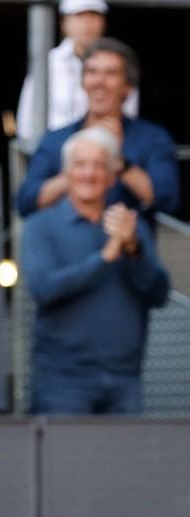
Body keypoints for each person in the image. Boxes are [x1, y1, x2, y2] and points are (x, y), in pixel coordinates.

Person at [21, 127, 169, 415]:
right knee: (63, 460)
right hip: (62, 380)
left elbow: (159, 294)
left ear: (113, 176)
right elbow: (44, 289)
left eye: (99, 165)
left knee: (127, 461)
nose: (89, 174)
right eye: (80, 165)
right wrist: (105, 257)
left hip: (125, 376)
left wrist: (132, 249)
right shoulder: (41, 226)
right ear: (66, 174)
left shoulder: (130, 226)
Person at [16, 38, 178, 219]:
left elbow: (168, 201)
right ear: (83, 81)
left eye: (111, 73)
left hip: (128, 243)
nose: (99, 81)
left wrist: (119, 162)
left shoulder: (152, 138)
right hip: (68, 242)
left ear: (128, 86)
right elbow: (25, 202)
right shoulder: (56, 139)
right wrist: (77, 171)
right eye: (92, 72)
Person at [16, 0, 139, 146]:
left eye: (94, 15)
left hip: (108, 153)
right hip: (55, 155)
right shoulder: (47, 64)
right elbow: (26, 124)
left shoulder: (119, 61)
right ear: (64, 22)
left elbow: (130, 117)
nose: (87, 22)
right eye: (79, 15)